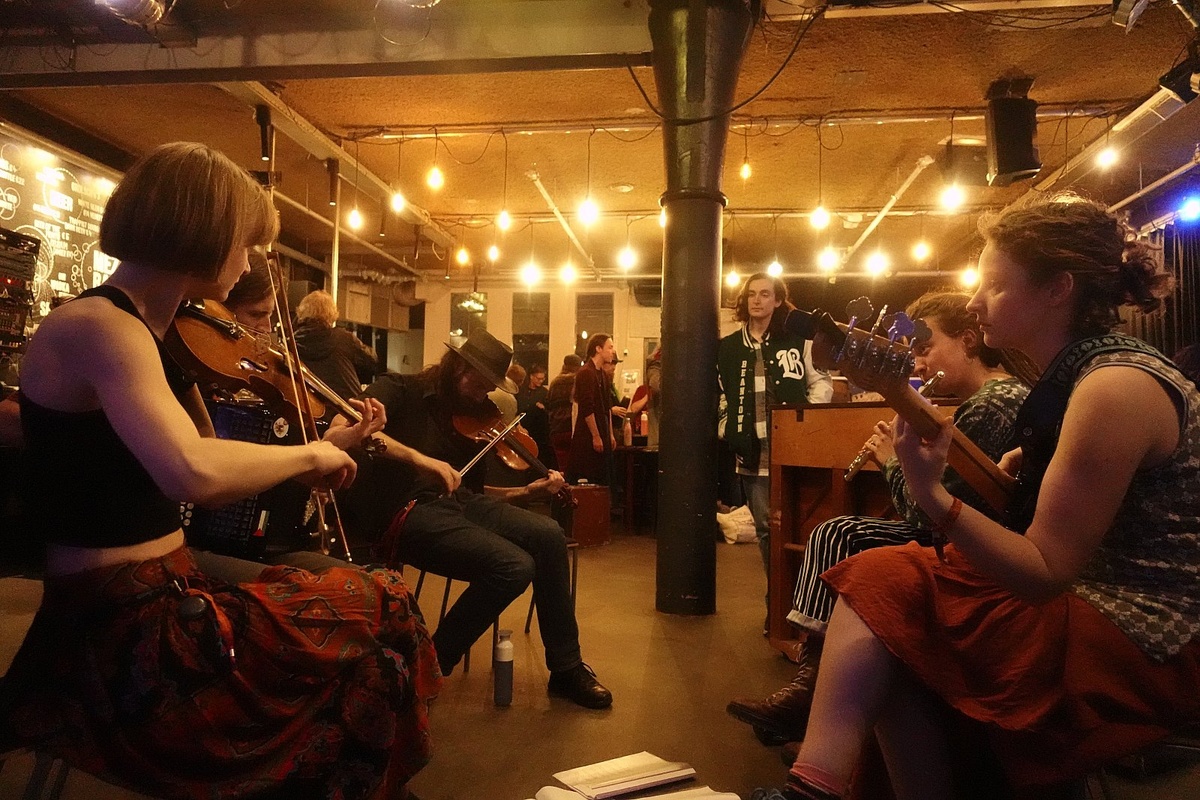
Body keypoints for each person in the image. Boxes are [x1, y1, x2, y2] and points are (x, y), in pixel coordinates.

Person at [0, 142, 441, 800]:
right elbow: (191, 471)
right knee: (379, 620)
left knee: (383, 624)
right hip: (122, 631)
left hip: (171, 591)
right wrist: (309, 455)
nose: (249, 263)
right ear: (202, 234)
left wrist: (321, 445)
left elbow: (210, 451)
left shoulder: (151, 332)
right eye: (246, 243)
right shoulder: (96, 326)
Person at [764, 196, 1200, 800]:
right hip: (1091, 600)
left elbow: (1045, 571)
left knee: (885, 581)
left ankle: (812, 790)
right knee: (892, 598)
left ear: (1058, 289)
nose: (973, 302)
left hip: (1146, 634)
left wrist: (929, 492)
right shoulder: (1081, 377)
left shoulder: (1115, 388)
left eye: (994, 285)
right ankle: (821, 783)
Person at [727, 290, 1029, 744]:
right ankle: (816, 692)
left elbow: (926, 513)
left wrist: (891, 461)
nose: (918, 364)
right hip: (971, 537)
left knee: (838, 533)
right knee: (838, 534)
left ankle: (811, 693)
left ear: (968, 341)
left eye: (925, 348)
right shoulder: (990, 398)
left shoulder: (992, 402)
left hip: (972, 547)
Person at [336, 328, 613, 709]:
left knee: (548, 534)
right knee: (513, 566)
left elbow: (474, 495)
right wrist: (421, 459)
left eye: (489, 388)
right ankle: (429, 665)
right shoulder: (400, 388)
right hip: (405, 510)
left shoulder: (474, 416)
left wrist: (527, 492)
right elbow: (345, 428)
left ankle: (566, 668)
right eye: (478, 383)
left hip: (457, 504)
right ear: (457, 367)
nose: (482, 395)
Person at [718, 273, 833, 582]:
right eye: (751, 294)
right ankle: (777, 598)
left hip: (795, 450)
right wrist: (726, 425)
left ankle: (799, 596)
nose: (756, 300)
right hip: (752, 455)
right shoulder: (728, 348)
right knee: (765, 529)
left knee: (800, 527)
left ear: (778, 300)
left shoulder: (798, 341)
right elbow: (722, 394)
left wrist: (806, 419)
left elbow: (821, 382)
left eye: (765, 294)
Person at [294, 289, 378, 407]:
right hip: (346, 409)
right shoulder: (343, 338)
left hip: (311, 410)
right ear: (331, 314)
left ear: (301, 312)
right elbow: (371, 361)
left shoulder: (291, 344)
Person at [567, 333, 617, 486]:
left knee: (604, 478)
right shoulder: (586, 373)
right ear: (598, 349)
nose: (612, 351)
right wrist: (596, 436)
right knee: (589, 476)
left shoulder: (602, 374)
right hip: (587, 435)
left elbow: (607, 407)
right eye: (610, 347)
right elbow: (587, 408)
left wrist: (610, 434)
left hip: (602, 430)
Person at [547, 354, 581, 472]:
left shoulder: (555, 382)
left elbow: (549, 404)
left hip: (556, 429)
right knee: (574, 466)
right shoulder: (577, 381)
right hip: (572, 428)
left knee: (561, 465)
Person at [518, 363, 555, 470]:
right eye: (538, 378)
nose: (541, 381)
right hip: (522, 427)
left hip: (538, 431)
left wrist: (543, 408)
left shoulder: (544, 393)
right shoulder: (521, 390)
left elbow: (550, 412)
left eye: (543, 379)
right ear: (531, 376)